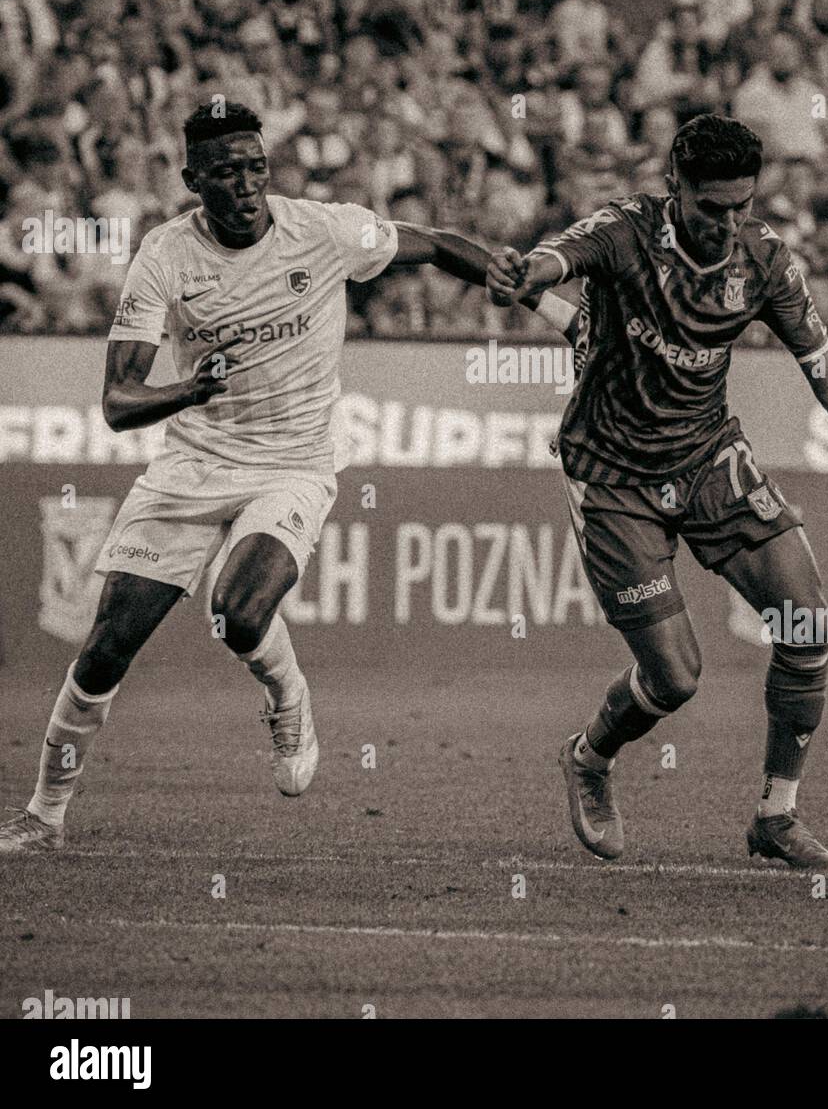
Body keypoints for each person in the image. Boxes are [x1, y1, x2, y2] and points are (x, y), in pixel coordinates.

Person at [0, 101, 573, 853]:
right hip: (192, 462)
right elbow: (117, 401)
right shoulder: (165, 257)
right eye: (226, 171)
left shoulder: (322, 229)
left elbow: (431, 245)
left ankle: (287, 693)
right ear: (192, 179)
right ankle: (44, 817)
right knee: (107, 646)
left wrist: (537, 296)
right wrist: (188, 391)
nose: (245, 183)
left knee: (237, 611)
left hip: (294, 461)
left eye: (255, 167)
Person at [487, 114, 828, 871]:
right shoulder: (626, 231)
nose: (729, 223)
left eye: (743, 206)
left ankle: (776, 816)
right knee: (675, 677)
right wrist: (526, 276)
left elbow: (826, 371)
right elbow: (556, 258)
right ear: (674, 188)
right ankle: (590, 757)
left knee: (805, 622)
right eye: (713, 209)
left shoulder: (764, 262)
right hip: (613, 477)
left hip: (708, 458)